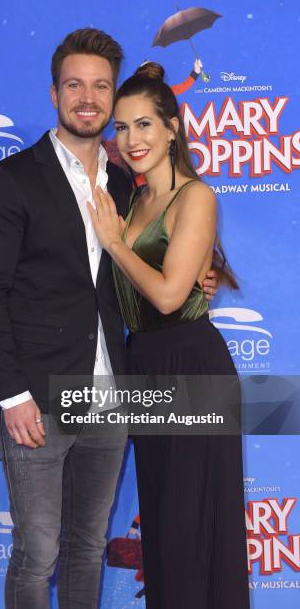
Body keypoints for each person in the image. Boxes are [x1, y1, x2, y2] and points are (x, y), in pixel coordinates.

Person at [0, 29, 218, 609]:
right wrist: (12, 396)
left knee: (87, 546)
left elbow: (164, 247)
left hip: (111, 394)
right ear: (54, 92)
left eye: (101, 86)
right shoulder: (13, 179)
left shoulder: (127, 181)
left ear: (112, 97)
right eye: (75, 84)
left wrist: (200, 279)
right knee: (38, 553)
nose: (89, 97)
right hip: (40, 397)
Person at [88, 62, 250, 609]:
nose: (131, 139)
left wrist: (116, 244)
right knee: (161, 526)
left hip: (192, 366)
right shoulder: (129, 200)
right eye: (122, 127)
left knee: (192, 526)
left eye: (144, 125)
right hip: (145, 365)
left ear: (173, 128)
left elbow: (167, 296)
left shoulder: (196, 196)